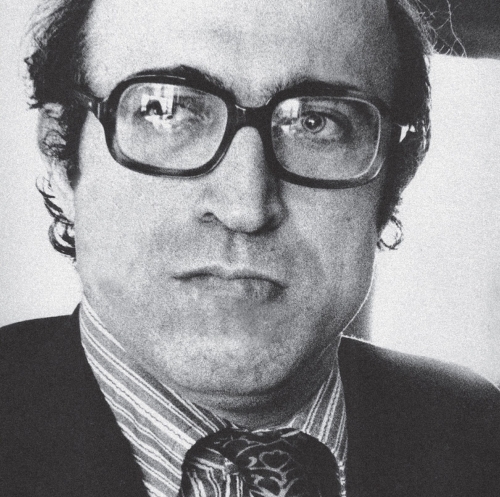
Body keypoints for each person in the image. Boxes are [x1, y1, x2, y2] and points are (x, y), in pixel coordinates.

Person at [1, 0, 499, 496]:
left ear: (395, 174)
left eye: (316, 122)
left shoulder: (477, 432)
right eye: (165, 110)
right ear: (60, 154)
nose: (246, 208)